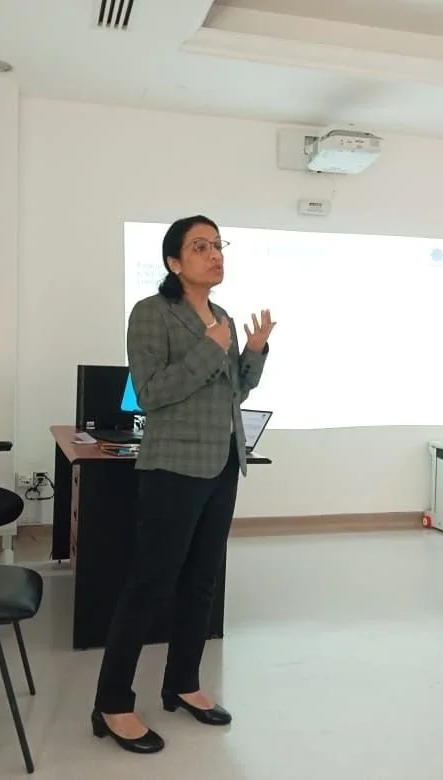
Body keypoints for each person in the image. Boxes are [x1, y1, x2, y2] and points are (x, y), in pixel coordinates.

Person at [90, 215, 275, 754]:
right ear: (174, 262)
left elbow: (232, 392)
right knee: (151, 584)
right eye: (201, 246)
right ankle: (112, 703)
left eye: (218, 245)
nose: (214, 254)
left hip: (221, 464)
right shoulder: (152, 315)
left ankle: (183, 683)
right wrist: (210, 348)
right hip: (172, 467)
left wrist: (253, 352)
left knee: (202, 582)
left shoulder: (223, 317)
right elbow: (151, 394)